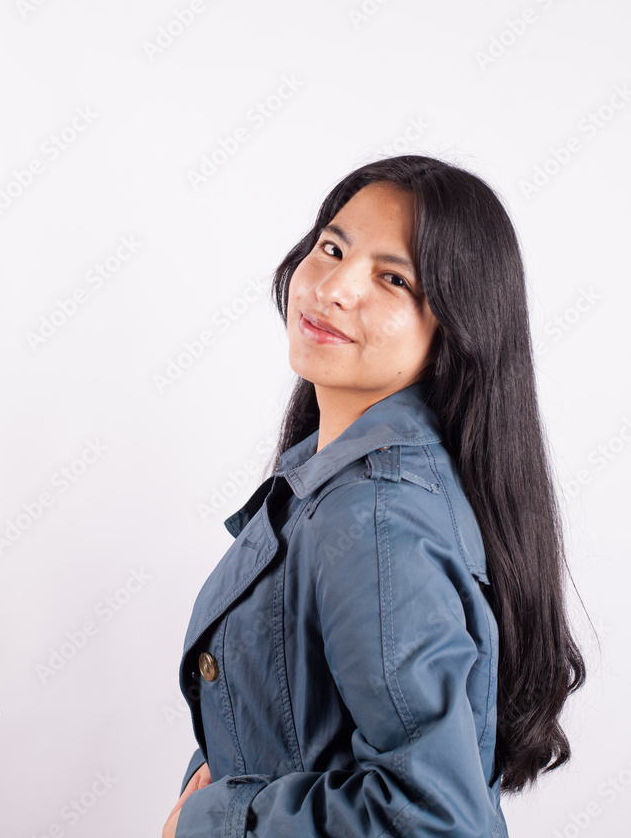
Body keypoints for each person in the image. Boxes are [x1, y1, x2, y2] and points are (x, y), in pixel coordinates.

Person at [162, 155, 587, 838]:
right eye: (331, 247)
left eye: (391, 278)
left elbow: (432, 820)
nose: (332, 286)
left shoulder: (375, 517)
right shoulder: (327, 480)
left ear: (453, 328)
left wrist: (211, 820)